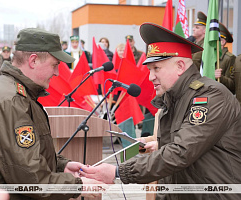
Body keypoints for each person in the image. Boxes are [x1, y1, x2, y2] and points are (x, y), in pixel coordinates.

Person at [80, 22, 241, 200]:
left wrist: (118, 172)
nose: (151, 77)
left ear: (180, 66)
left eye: (157, 68)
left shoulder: (210, 96)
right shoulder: (172, 99)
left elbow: (180, 152)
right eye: (149, 69)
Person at [0, 28, 102, 200]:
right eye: (54, 65)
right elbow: (31, 178)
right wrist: (78, 185)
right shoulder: (11, 101)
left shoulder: (17, 93)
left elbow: (26, 156)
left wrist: (62, 165)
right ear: (33, 61)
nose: (56, 73)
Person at [214, 22, 235, 93]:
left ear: (222, 42)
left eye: (215, 40)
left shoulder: (229, 58)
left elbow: (232, 84)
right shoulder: (210, 57)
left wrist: (220, 77)